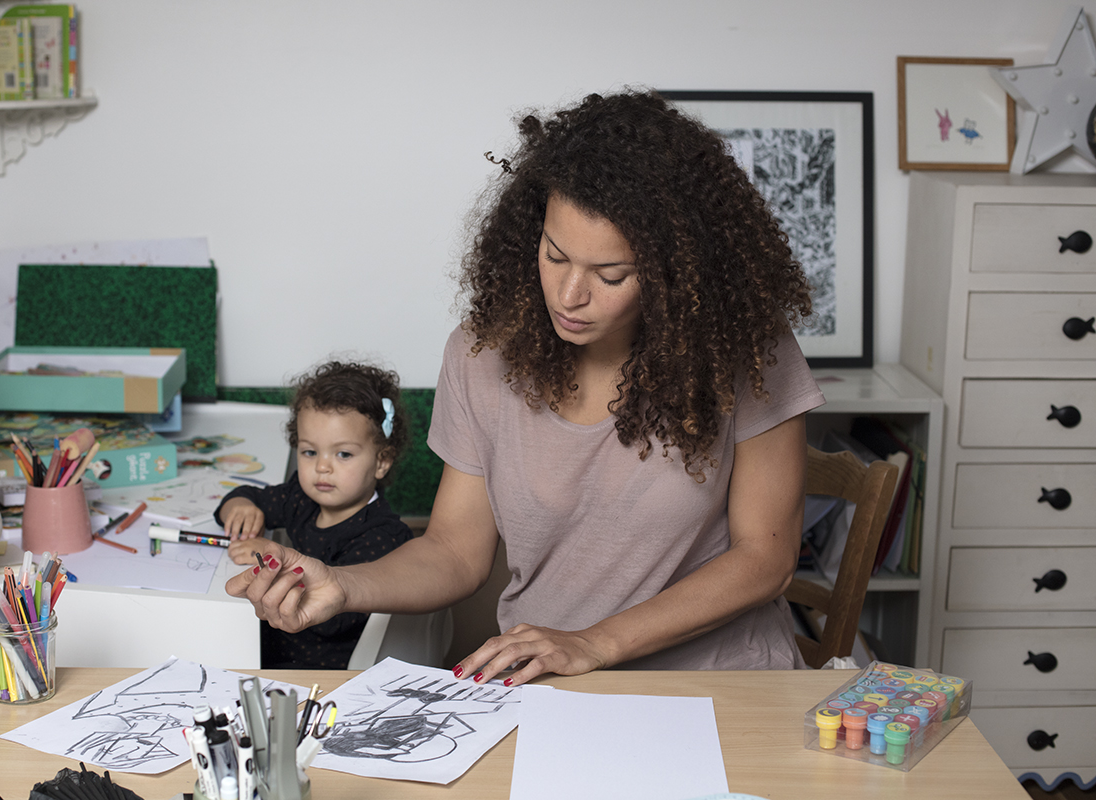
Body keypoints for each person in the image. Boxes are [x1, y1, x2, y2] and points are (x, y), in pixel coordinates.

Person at [226, 89, 826, 684]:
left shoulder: (742, 349)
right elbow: (455, 552)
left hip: (723, 683)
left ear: (677, 273)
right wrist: (344, 585)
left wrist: (593, 643)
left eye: (611, 274)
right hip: (545, 682)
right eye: (555, 255)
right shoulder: (481, 353)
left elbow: (765, 559)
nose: (569, 296)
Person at [215, 360, 413, 668]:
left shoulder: (382, 536)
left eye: (343, 454)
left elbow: (331, 617)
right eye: (310, 452)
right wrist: (240, 506)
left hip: (321, 671)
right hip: (273, 644)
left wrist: (272, 558)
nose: (322, 466)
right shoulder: (301, 498)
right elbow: (250, 496)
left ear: (381, 462)